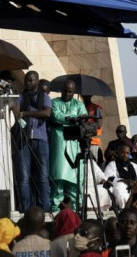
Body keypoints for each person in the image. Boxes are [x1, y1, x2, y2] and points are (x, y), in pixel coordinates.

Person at [11, 70, 52, 212]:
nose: (28, 83)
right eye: (26, 80)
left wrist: (26, 113)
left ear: (37, 81)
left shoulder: (44, 97)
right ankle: (25, 209)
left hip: (40, 139)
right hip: (24, 139)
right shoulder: (22, 97)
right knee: (23, 177)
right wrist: (14, 102)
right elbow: (16, 112)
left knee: (43, 176)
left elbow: (46, 112)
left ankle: (45, 208)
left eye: (31, 80)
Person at [49, 78, 88, 211]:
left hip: (75, 146)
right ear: (61, 90)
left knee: (75, 182)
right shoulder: (54, 102)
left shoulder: (79, 104)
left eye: (70, 92)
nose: (67, 94)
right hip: (59, 144)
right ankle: (56, 211)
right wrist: (72, 119)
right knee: (58, 179)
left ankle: (76, 212)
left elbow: (84, 119)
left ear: (74, 92)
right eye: (65, 91)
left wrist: (76, 119)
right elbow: (56, 115)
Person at [104, 144, 137, 210]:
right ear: (118, 153)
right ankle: (124, 209)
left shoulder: (134, 165)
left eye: (127, 153)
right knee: (120, 186)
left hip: (135, 185)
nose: (125, 155)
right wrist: (124, 181)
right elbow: (108, 178)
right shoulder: (112, 164)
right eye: (123, 153)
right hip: (123, 185)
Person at [82, 94, 104, 166]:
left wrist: (86, 124)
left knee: (93, 164)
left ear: (90, 96)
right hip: (81, 141)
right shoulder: (79, 107)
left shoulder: (96, 108)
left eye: (87, 96)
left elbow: (99, 124)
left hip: (93, 142)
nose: (85, 97)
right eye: (83, 96)